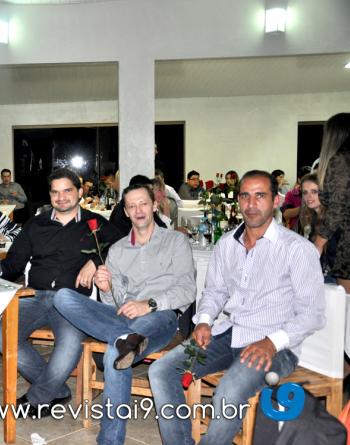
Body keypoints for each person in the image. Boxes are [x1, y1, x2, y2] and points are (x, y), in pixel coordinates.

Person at [149, 170, 325, 445]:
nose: (251, 204)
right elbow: (215, 291)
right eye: (245, 196)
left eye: (260, 196)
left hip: (275, 345)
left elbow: (312, 314)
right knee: (161, 371)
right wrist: (204, 321)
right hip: (229, 333)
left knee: (228, 392)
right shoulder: (226, 244)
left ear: (276, 201)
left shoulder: (297, 249)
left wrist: (271, 342)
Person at [54, 183, 195, 445]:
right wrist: (106, 288)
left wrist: (149, 304)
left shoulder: (176, 241)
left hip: (161, 317)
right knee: (62, 297)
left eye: (143, 204)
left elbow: (187, 290)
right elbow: (115, 302)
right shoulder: (117, 249)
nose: (138, 210)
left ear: (154, 206)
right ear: (126, 212)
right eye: (132, 206)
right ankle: (125, 338)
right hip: (123, 317)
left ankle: (109, 441)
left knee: (114, 354)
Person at [0, 168, 122, 418]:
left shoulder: (95, 224)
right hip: (34, 296)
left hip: (72, 301)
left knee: (70, 343)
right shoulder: (36, 224)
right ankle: (57, 390)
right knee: (1, 334)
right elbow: (14, 264)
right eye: (55, 192)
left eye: (67, 191)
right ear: (50, 195)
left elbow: (124, 248)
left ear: (80, 192)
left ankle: (38, 398)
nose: (61, 197)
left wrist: (96, 260)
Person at [315, 113, 350, 294]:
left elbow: (338, 207)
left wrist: (319, 242)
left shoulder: (340, 160)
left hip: (346, 243)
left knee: (346, 304)